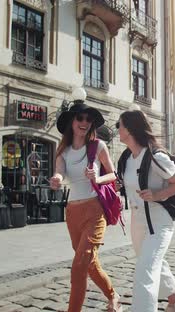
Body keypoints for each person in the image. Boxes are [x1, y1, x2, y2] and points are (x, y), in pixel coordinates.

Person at [49, 101, 122, 312]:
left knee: (79, 265)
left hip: (95, 210)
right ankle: (113, 295)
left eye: (88, 119)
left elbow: (113, 174)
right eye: (80, 118)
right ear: (72, 121)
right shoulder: (63, 150)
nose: (84, 122)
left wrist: (98, 179)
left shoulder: (98, 146)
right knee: (89, 263)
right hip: (72, 212)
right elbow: (60, 172)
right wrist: (56, 178)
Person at [116, 107, 175, 312]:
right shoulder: (126, 159)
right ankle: (174, 303)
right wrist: (120, 187)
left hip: (159, 223)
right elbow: (130, 183)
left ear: (129, 129)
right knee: (155, 263)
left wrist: (156, 195)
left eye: (119, 125)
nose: (117, 129)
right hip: (138, 223)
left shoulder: (156, 157)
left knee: (145, 270)